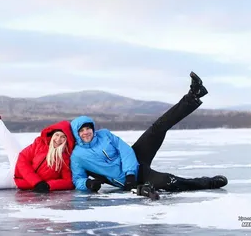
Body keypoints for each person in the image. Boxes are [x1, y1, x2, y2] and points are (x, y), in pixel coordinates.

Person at [70, 71, 228, 196]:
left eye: (87, 128)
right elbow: (78, 179)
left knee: (157, 128)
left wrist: (130, 172)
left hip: (135, 160)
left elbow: (125, 150)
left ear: (92, 127)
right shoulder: (78, 156)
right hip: (134, 179)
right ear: (77, 134)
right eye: (81, 130)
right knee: (168, 181)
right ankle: (207, 182)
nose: (86, 132)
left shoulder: (104, 134)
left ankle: (193, 95)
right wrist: (89, 184)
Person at [0, 77, 76, 192]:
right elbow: (22, 159)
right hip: (18, 165)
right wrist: (37, 182)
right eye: (57, 135)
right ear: (52, 134)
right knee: (4, 134)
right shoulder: (40, 143)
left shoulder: (64, 158)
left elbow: (68, 182)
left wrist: (48, 186)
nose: (58, 139)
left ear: (66, 140)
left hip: (17, 181)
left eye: (63, 137)